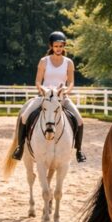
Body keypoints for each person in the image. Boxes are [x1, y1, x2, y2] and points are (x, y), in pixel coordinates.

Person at [11, 31, 86, 163]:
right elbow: (38, 82)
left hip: (61, 98)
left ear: (64, 47)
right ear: (51, 46)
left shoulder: (69, 62)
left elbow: (72, 82)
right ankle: (20, 147)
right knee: (24, 117)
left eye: (61, 46)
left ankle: (79, 150)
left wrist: (66, 91)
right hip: (44, 97)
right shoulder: (44, 61)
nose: (58, 48)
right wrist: (43, 90)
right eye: (56, 46)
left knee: (80, 120)